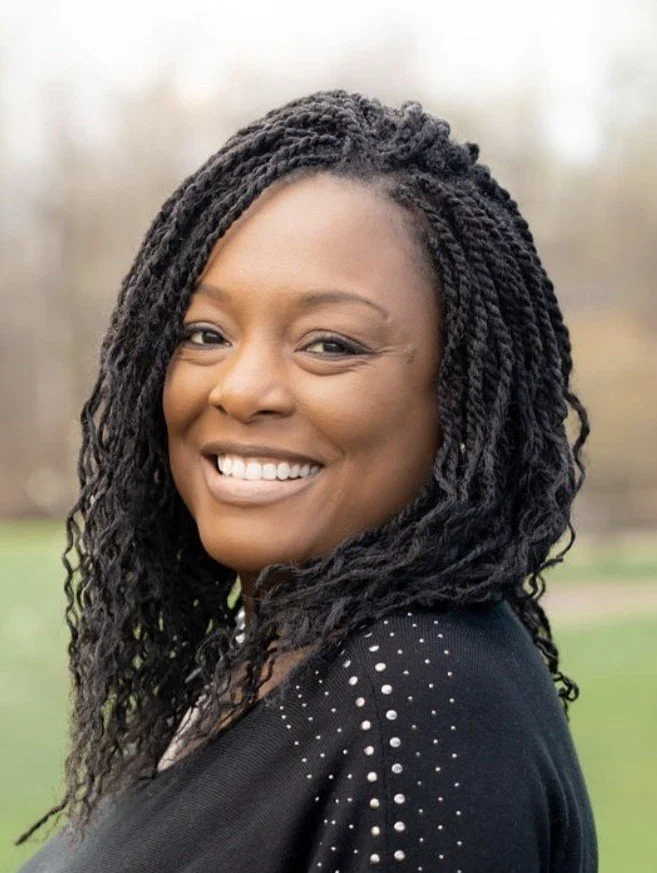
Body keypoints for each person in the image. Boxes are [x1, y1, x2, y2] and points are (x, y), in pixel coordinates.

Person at [15, 89, 598, 872]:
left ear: (465, 393)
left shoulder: (413, 697)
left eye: (329, 344)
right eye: (204, 333)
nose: (241, 387)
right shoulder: (274, 657)